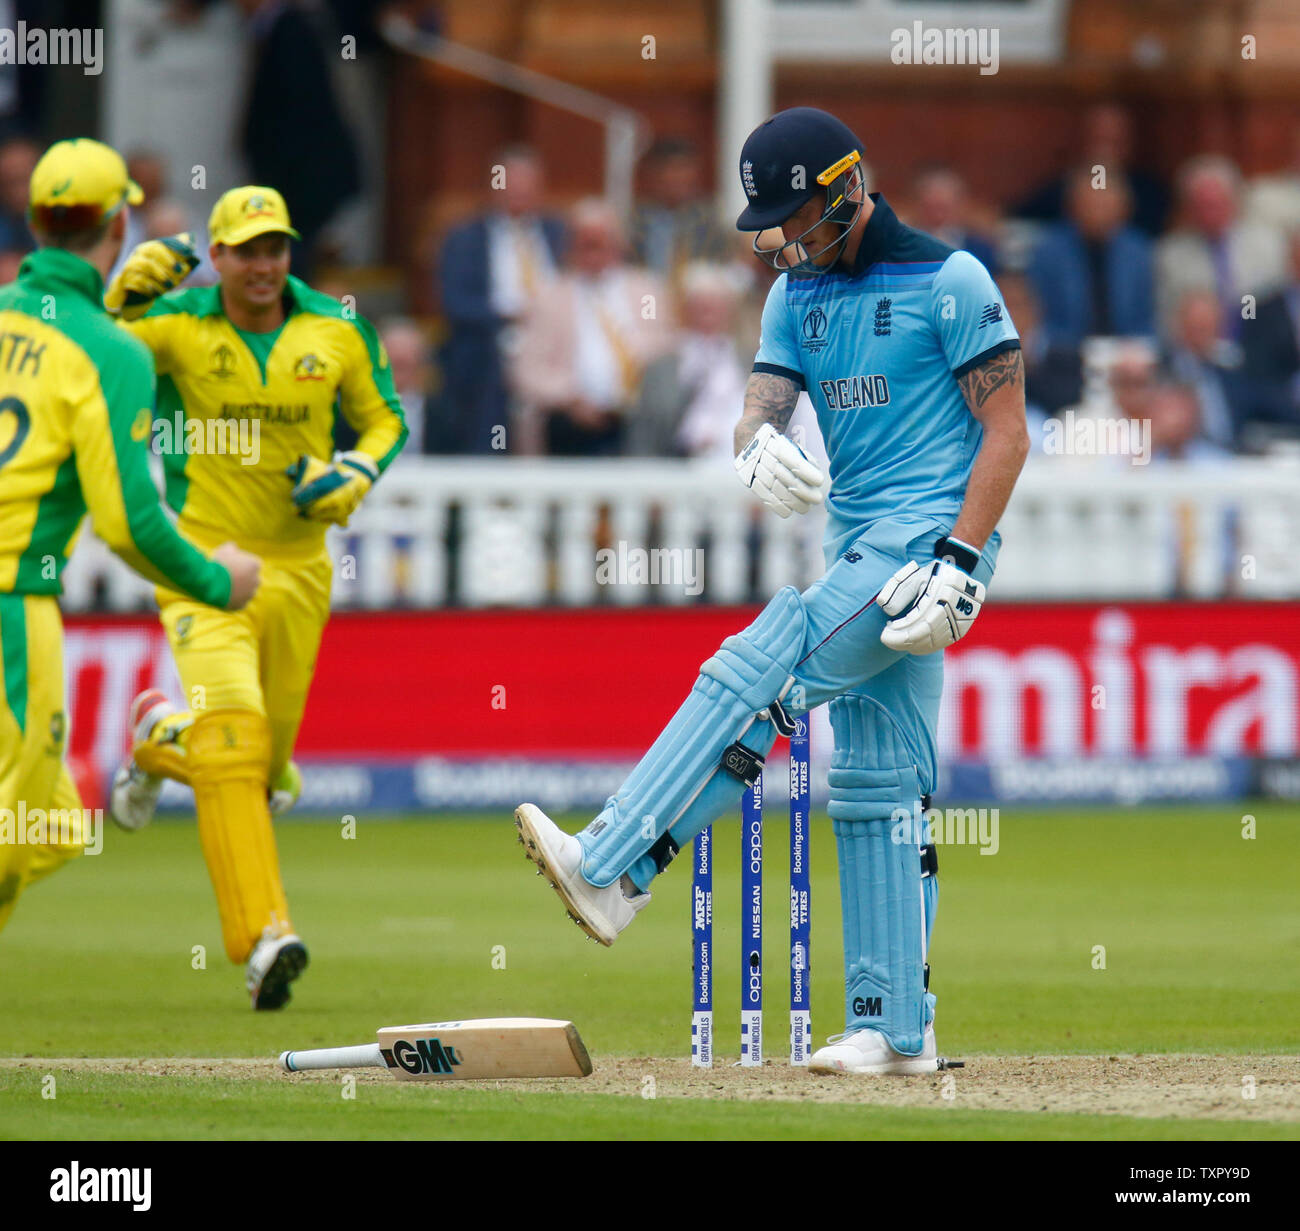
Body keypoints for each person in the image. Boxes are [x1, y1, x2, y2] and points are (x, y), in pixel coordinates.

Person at [514, 107, 1028, 1075]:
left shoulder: (950, 281)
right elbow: (765, 394)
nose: (788, 237)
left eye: (803, 215)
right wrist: (751, 441)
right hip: (857, 539)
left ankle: (615, 863)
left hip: (924, 547)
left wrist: (962, 560)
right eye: (775, 222)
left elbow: (1006, 431)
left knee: (766, 657)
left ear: (850, 185)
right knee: (878, 775)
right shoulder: (795, 293)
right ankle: (895, 1029)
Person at [103, 184, 407, 1009]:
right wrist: (123, 293)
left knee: (265, 772)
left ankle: (160, 737)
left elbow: (385, 421)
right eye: (247, 250)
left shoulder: (336, 331)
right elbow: (91, 362)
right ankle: (265, 938)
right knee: (235, 740)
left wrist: (353, 472)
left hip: (301, 569)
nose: (265, 265)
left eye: (276, 248)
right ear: (220, 255)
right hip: (203, 563)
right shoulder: (178, 327)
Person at [0, 138, 261, 935]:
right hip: (15, 607)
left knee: (52, 824)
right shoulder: (112, 354)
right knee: (18, 835)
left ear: (37, 220)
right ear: (119, 226)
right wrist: (219, 580)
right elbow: (129, 523)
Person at [510, 197, 668, 456]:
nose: (593, 253)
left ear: (618, 245)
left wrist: (637, 390)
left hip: (636, 417)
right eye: (585, 245)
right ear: (570, 247)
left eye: (600, 244)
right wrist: (570, 397)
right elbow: (527, 371)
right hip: (571, 418)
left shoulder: (646, 291)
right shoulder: (549, 297)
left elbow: (666, 353)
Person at [437, 146, 566, 454]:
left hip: (554, 343)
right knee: (496, 374)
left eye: (528, 185)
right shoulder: (464, 238)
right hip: (491, 340)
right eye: (512, 184)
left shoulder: (561, 233)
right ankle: (488, 465)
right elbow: (456, 303)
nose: (519, 193)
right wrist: (511, 315)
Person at [1027, 166, 1154, 347]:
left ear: (1124, 207)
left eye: (1106, 204)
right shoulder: (1048, 252)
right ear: (1072, 206)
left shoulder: (1138, 251)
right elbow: (1040, 319)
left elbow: (1147, 318)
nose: (1098, 212)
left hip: (1127, 355)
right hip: (1067, 353)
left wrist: (1136, 348)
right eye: (1090, 204)